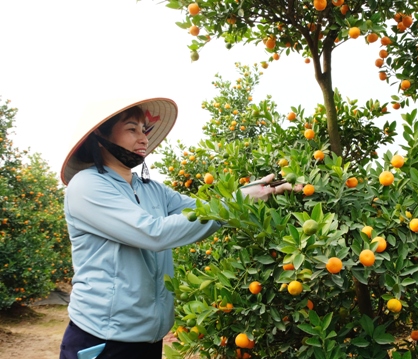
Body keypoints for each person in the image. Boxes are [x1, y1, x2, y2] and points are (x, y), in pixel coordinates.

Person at [59, 97, 294, 359]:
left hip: (149, 339)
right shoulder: (87, 186)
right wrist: (235, 203)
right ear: (100, 135)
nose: (143, 139)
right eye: (132, 129)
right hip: (103, 339)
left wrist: (257, 189)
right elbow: (153, 232)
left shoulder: (151, 189)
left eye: (144, 130)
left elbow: (206, 208)